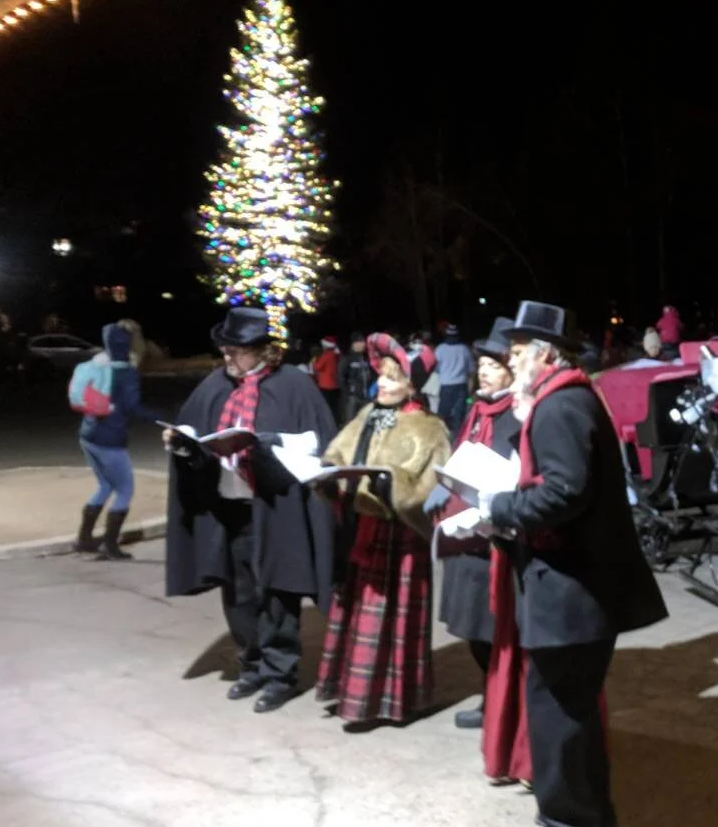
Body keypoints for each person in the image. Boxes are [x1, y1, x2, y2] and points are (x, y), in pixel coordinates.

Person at [478, 301, 668, 827]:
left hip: (571, 590)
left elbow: (564, 492)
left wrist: (500, 507)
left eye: (517, 353)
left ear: (545, 355)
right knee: (574, 710)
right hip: (579, 587)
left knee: (557, 711)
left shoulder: (561, 405)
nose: (510, 363)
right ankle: (592, 815)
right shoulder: (568, 398)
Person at [163, 307, 338, 714]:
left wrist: (270, 442)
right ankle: (252, 664)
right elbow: (194, 434)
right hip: (228, 506)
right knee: (239, 593)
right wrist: (184, 446)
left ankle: (280, 674)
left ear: (262, 350)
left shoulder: (294, 385)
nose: (227, 358)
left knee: (277, 591)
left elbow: (320, 441)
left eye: (236, 351)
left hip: (276, 506)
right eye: (224, 351)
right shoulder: (215, 384)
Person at [314, 335, 451, 728]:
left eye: (393, 379)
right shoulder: (367, 414)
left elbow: (431, 489)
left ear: (412, 385)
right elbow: (338, 452)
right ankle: (353, 691)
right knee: (357, 612)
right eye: (382, 377)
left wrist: (393, 486)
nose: (383, 385)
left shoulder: (430, 428)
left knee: (392, 619)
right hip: (362, 528)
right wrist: (328, 475)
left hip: (400, 536)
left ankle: (394, 700)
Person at [425, 317, 524, 765]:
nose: (484, 372)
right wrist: (444, 485)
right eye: (481, 365)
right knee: (473, 627)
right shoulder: (478, 409)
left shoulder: (517, 412)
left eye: (493, 365)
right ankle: (491, 696)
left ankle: (506, 705)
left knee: (497, 628)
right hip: (463, 534)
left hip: (495, 535)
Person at [74, 321, 161, 560]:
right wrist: (160, 417)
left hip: (88, 434)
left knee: (104, 485)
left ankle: (84, 539)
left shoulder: (98, 364)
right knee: (125, 490)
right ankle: (110, 545)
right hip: (110, 439)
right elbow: (132, 407)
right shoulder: (127, 372)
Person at [424, 324, 475, 436]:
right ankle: (458, 439)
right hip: (461, 386)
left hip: (445, 385)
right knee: (459, 415)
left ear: (446, 335)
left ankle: (441, 436)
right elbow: (471, 370)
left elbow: (435, 368)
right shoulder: (464, 349)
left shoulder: (440, 349)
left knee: (443, 414)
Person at [339, 334, 373, 426]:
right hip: (352, 397)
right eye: (360, 342)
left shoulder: (366, 358)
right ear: (354, 344)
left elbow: (371, 375)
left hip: (366, 397)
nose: (363, 344)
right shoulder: (347, 358)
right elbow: (341, 378)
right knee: (350, 423)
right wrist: (347, 394)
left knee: (365, 423)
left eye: (363, 342)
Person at [312, 337, 341, 414]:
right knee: (334, 406)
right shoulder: (336, 354)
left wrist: (314, 361)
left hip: (325, 385)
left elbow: (317, 367)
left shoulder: (326, 355)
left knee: (326, 406)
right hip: (334, 384)